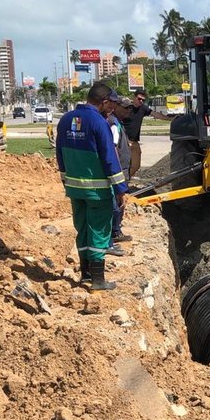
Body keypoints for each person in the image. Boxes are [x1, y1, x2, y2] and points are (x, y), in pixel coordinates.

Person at [55, 82, 128, 290]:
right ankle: (98, 280)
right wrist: (121, 189)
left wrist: (65, 180)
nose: (112, 108)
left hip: (74, 189)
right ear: (103, 101)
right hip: (97, 191)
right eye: (111, 103)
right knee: (98, 231)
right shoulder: (99, 122)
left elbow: (59, 153)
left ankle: (86, 275)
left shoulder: (66, 119)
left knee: (83, 230)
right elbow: (109, 158)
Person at [121, 88, 171, 179]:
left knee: (136, 166)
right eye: (139, 99)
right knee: (123, 164)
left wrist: (169, 119)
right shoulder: (126, 108)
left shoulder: (143, 108)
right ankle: (122, 183)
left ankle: (125, 180)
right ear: (134, 97)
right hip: (124, 141)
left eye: (143, 100)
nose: (141, 101)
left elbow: (155, 114)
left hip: (134, 142)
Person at [107, 97, 134, 252]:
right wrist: (116, 170)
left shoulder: (118, 122)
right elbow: (113, 148)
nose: (128, 111)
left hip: (122, 169)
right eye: (125, 108)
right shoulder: (113, 123)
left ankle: (116, 230)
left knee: (119, 202)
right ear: (116, 107)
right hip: (119, 170)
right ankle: (115, 232)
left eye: (130, 108)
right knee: (118, 201)